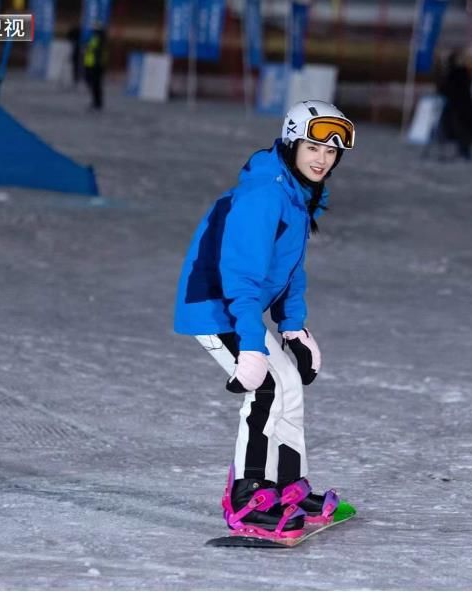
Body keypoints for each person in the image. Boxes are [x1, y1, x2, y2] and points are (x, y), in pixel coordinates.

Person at [173, 101, 355, 540]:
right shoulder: (265, 195)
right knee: (268, 387)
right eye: (312, 147)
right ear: (292, 144)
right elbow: (241, 275)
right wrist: (252, 345)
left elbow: (290, 269)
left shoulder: (299, 195)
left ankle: (286, 487)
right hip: (217, 305)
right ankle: (247, 496)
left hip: (242, 307)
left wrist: (294, 327)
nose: (321, 159)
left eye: (330, 153)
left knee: (288, 383)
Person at [437, 48, 472, 160]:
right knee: (462, 129)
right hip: (463, 106)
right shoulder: (462, 73)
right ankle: (463, 151)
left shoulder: (454, 73)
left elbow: (443, 89)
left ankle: (462, 152)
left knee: (459, 129)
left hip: (457, 107)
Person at [83, 25, 107, 110]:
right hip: (93, 64)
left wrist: (87, 48)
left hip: (95, 65)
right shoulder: (98, 39)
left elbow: (94, 50)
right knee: (94, 84)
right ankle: (96, 101)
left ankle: (97, 102)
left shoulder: (98, 39)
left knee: (95, 84)